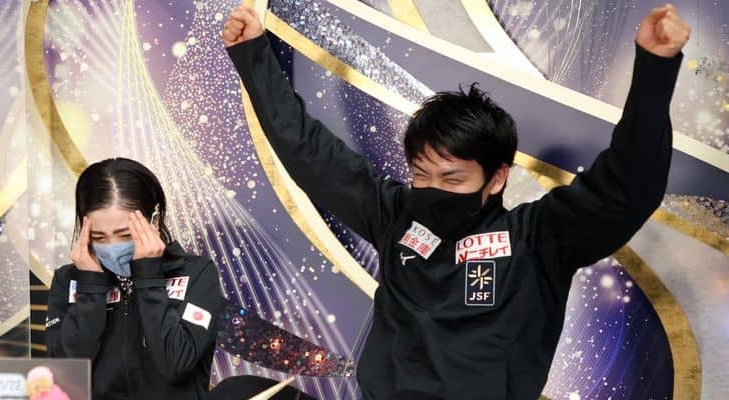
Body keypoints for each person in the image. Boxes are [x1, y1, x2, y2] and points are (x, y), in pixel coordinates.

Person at [222, 4, 689, 399]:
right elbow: (308, 150)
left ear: (497, 178)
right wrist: (253, 53)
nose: (433, 190)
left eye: (453, 178)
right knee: (238, 392)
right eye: (421, 174)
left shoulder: (539, 240)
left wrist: (655, 69)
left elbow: (626, 190)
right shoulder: (395, 215)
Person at [45, 158, 223, 399]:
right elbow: (64, 378)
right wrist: (91, 287)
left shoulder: (197, 273)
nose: (112, 247)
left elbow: (176, 364)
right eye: (99, 237)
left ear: (154, 220)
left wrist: (148, 276)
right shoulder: (68, 280)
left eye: (125, 234)